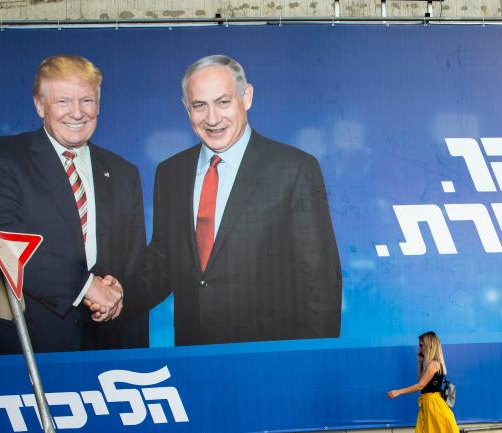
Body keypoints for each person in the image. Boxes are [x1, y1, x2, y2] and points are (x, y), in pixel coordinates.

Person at [124, 54, 342, 346]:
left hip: (270, 358)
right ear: (186, 107)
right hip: (194, 354)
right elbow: (165, 259)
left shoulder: (294, 168)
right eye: (200, 106)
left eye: (223, 102)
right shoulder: (170, 173)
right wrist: (119, 296)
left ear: (246, 96)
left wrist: (315, 359)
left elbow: (321, 278)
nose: (212, 118)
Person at [0, 54, 148, 356]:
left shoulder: (124, 173)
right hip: (22, 347)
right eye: (63, 102)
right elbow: (3, 242)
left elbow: (135, 260)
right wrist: (88, 287)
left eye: (87, 100)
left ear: (98, 105)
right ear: (39, 106)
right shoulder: (0, 158)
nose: (77, 113)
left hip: (104, 347)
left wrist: (118, 292)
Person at [387, 331, 477, 433]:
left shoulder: (435, 364)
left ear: (428, 345)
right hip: (427, 405)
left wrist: (398, 392)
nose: (419, 347)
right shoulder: (429, 363)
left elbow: (421, 385)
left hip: (435, 405)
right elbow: (421, 382)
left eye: (421, 344)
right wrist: (419, 361)